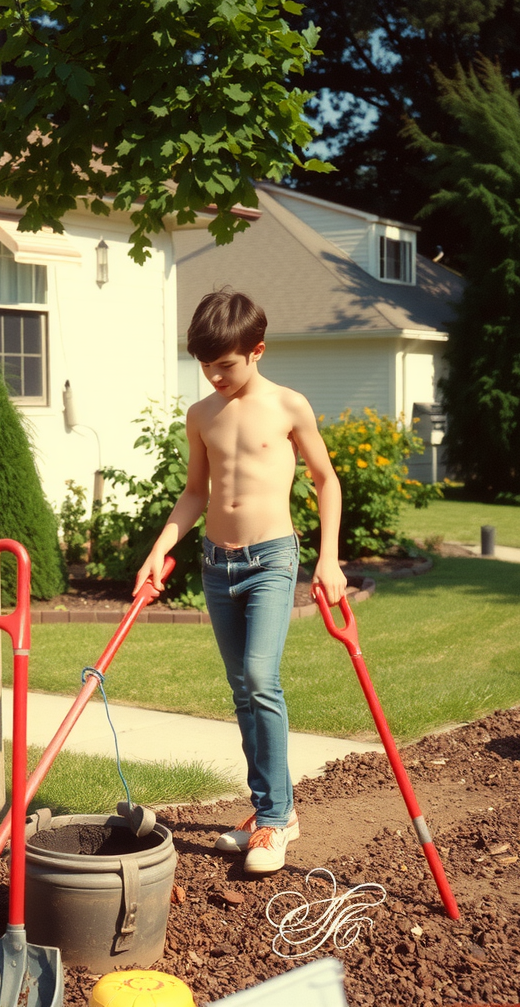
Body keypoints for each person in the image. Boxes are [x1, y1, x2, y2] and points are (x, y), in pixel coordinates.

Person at [134, 289, 348, 874]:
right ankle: (269, 808)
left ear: (256, 351)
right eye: (205, 366)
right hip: (216, 562)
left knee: (260, 678)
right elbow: (196, 493)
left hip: (272, 559)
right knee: (242, 689)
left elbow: (327, 482)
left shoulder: (288, 406)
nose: (214, 376)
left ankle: (276, 822)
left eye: (224, 364)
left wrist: (328, 559)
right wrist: (159, 550)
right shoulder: (200, 415)